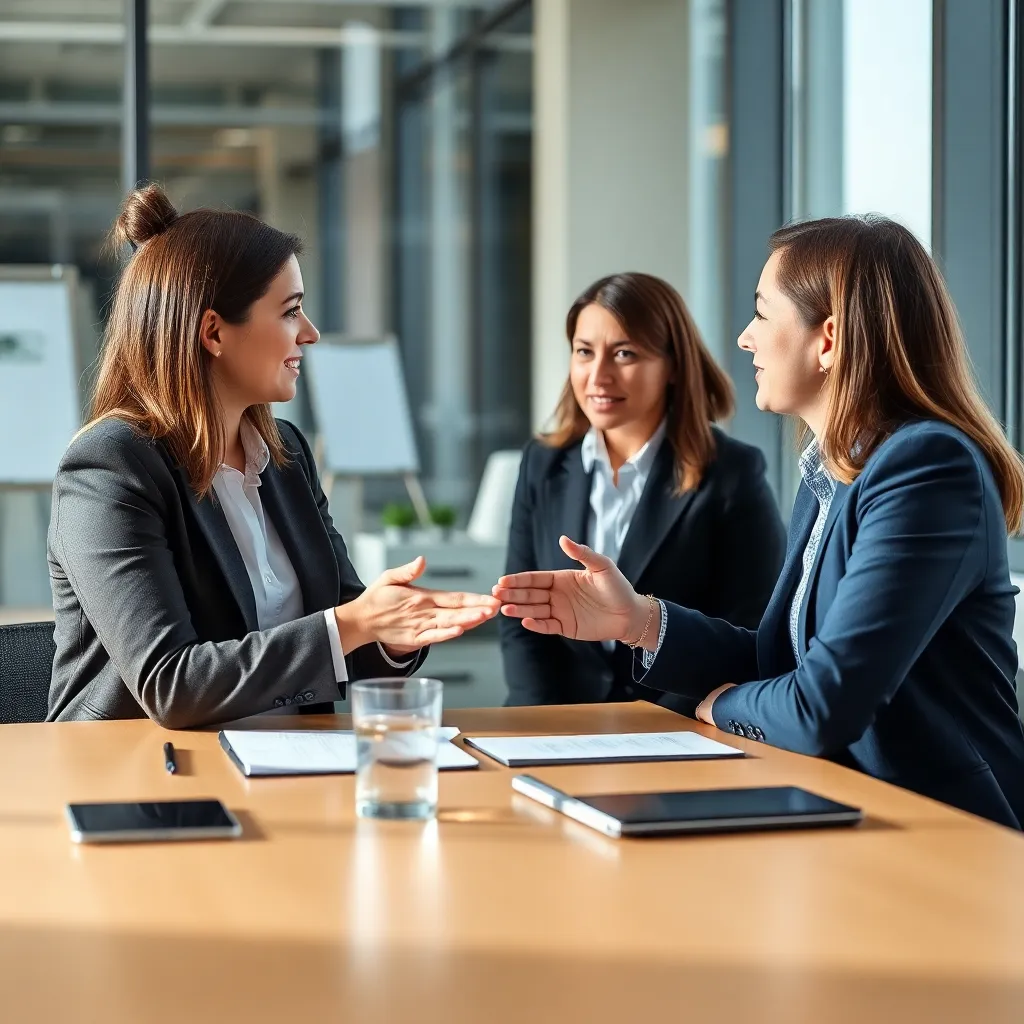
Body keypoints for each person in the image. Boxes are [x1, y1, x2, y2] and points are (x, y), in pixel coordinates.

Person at [495, 216, 1024, 828]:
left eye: (762, 314)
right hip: (839, 804)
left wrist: (718, 709)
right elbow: (780, 659)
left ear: (828, 340)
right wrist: (637, 620)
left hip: (945, 830)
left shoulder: (927, 467)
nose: (745, 339)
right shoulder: (833, 471)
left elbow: (821, 704)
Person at [47, 184, 498, 728]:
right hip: (147, 779)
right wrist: (354, 623)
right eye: (291, 312)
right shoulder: (110, 466)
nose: (309, 334)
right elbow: (171, 685)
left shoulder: (287, 456)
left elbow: (345, 633)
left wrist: (393, 632)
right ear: (213, 331)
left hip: (293, 766)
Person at [500, 272, 785, 713]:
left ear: (672, 365)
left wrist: (651, 727)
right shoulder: (542, 463)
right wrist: (545, 722)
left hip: (680, 728)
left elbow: (750, 630)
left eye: (625, 354)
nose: (598, 375)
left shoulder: (732, 474)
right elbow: (520, 618)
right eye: (584, 352)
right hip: (553, 726)